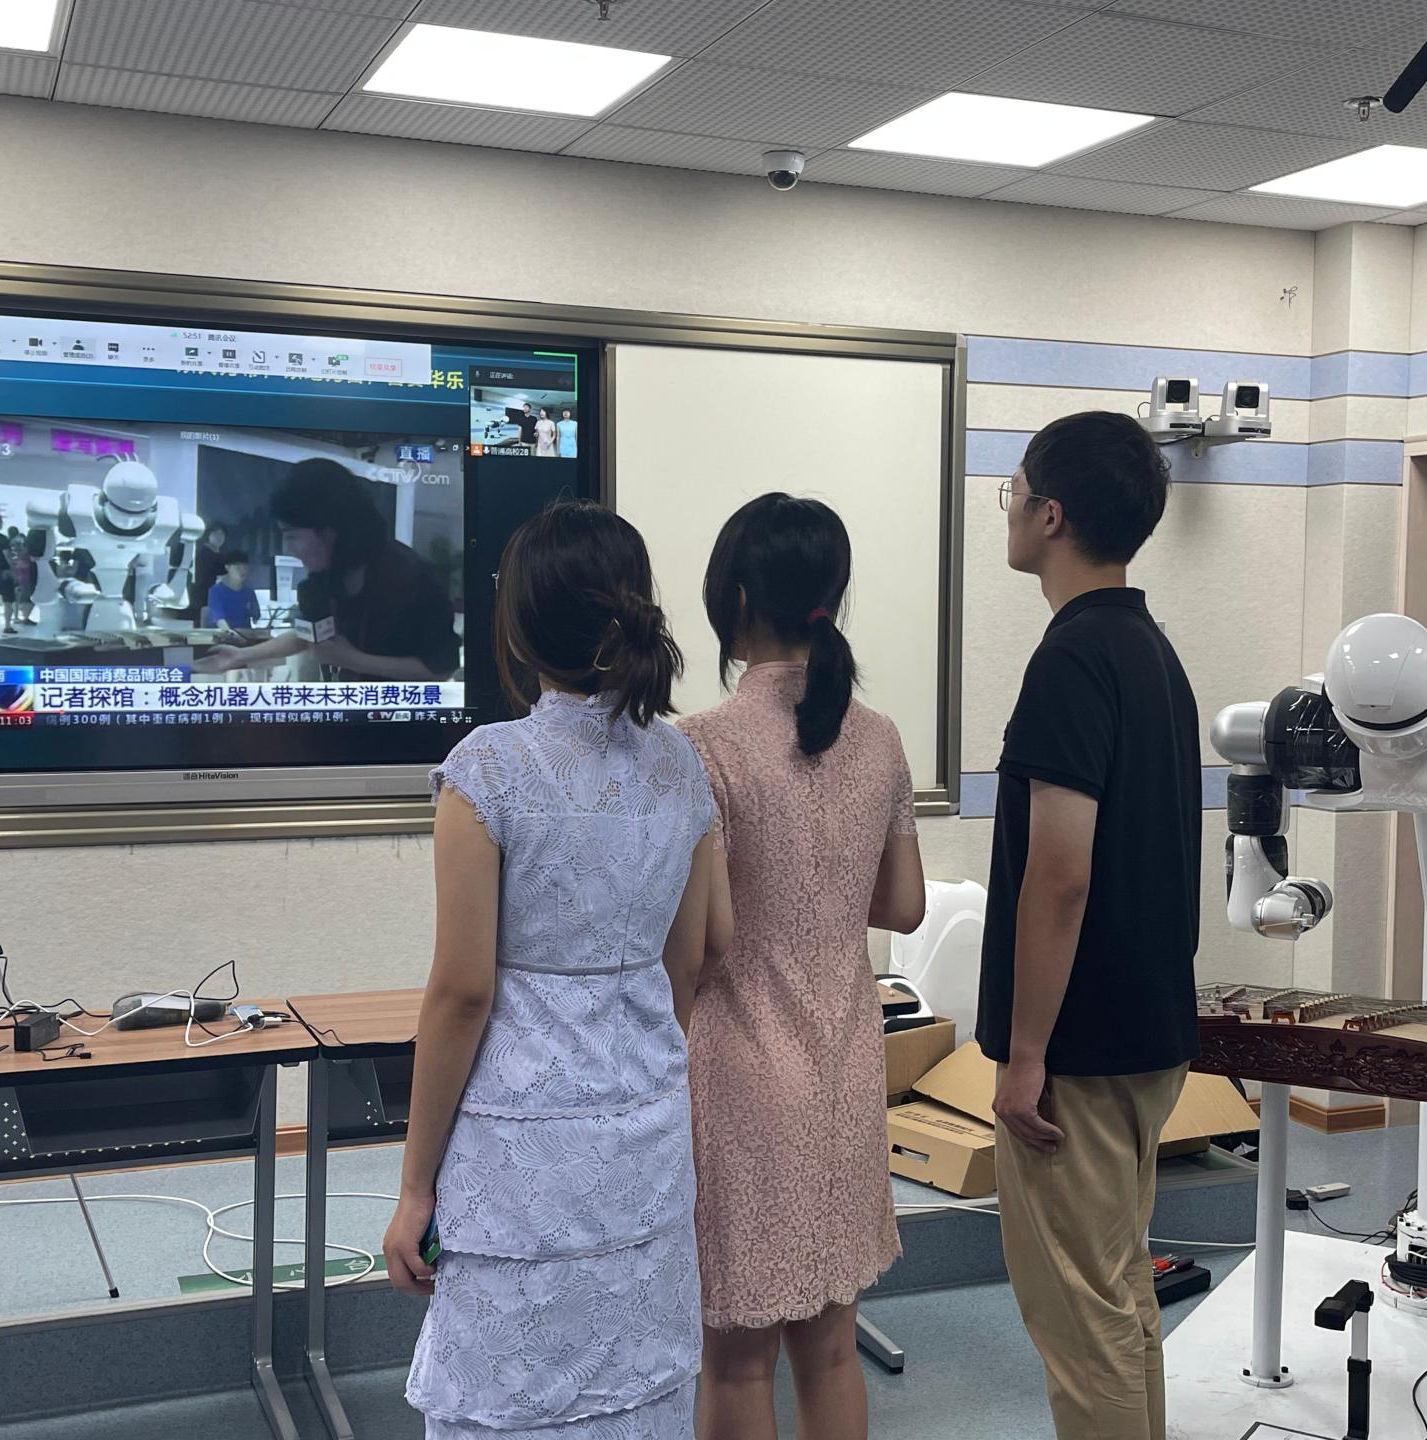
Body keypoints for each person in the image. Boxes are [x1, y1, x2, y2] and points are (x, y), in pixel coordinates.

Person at [380, 499, 712, 1439]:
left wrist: (414, 1190)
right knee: (636, 1380)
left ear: (518, 628)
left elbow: (462, 994)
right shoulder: (680, 765)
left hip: (521, 1146)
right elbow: (691, 957)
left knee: (514, 1396)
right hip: (646, 1125)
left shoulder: (488, 768)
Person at [680, 494, 925, 1440]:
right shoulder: (881, 736)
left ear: (737, 599)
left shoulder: (704, 745)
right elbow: (902, 906)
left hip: (740, 1068)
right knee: (830, 1348)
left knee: (736, 1360)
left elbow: (707, 938)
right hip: (847, 1063)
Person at [981, 412, 1200, 1440]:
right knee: (1118, 1298)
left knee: (1082, 1321)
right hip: (1146, 1033)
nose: (1009, 508)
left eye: (1015, 491)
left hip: (1080, 1051)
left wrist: (1027, 1055)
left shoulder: (1072, 660)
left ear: (1051, 515)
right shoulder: (1151, 650)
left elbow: (1060, 877)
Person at [196, 459, 459, 682]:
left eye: (291, 535)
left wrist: (354, 660)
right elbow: (307, 634)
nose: (289, 549)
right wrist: (240, 656)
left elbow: (440, 669)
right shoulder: (326, 578)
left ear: (330, 530)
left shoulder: (408, 576)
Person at [204, 550, 261, 633]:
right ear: (227, 567)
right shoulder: (215, 591)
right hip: (224, 636)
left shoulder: (249, 592)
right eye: (238, 567)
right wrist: (230, 634)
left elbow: (256, 618)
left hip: (246, 636)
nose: (242, 571)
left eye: (245, 567)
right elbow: (219, 620)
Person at [191, 522, 230, 616]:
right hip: (202, 599)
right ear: (208, 535)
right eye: (215, 533)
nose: (219, 537)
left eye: (222, 534)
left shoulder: (223, 555)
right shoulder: (202, 554)